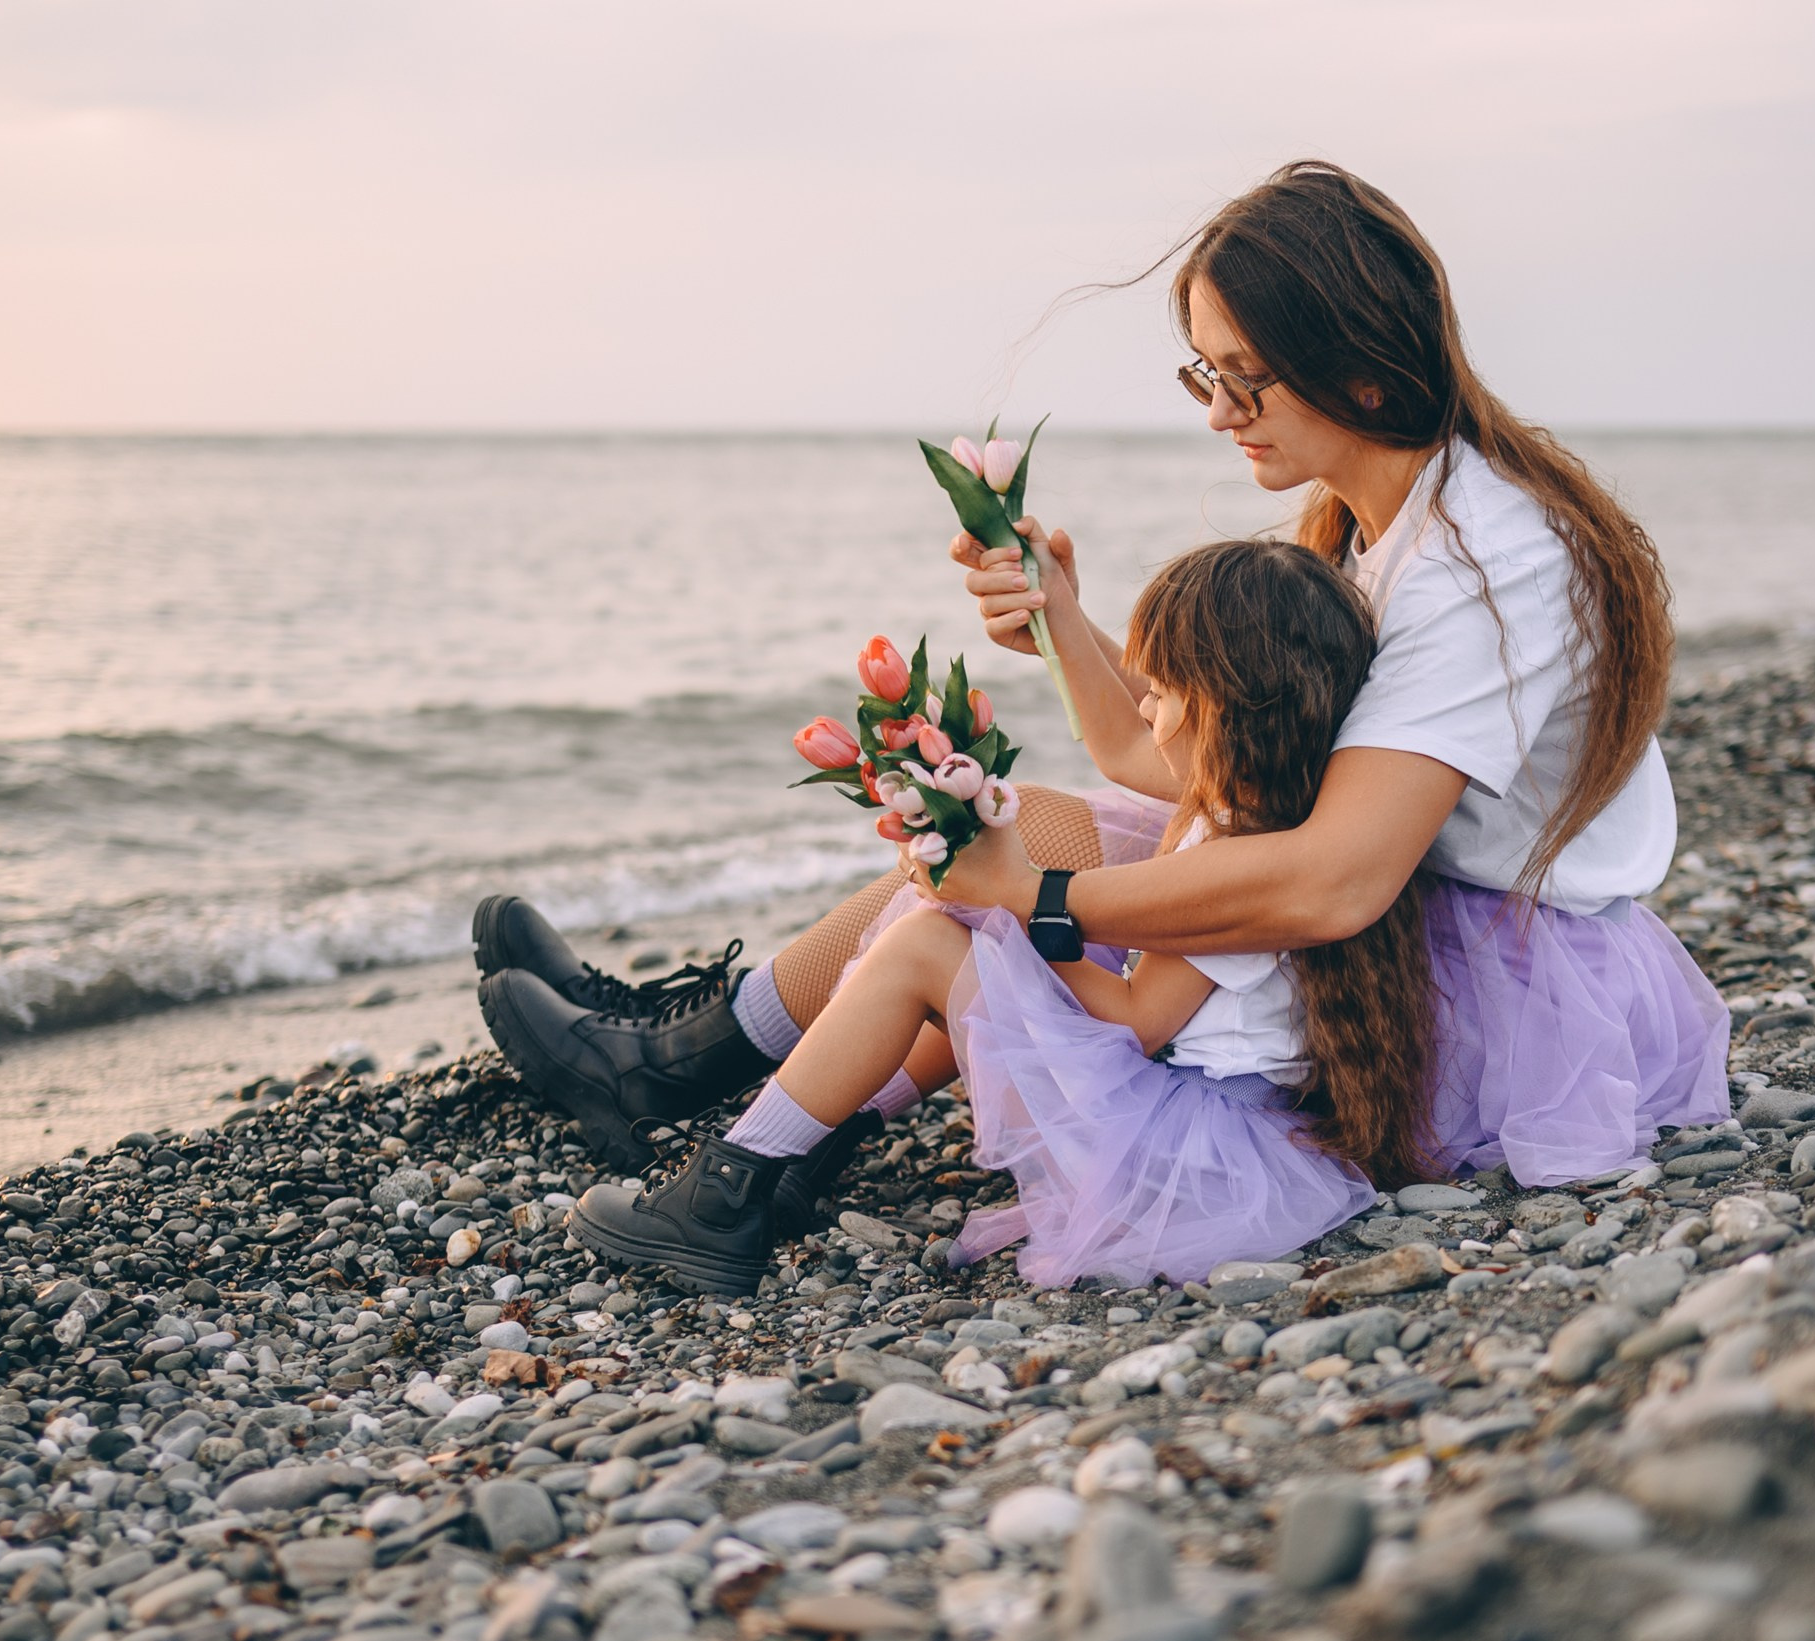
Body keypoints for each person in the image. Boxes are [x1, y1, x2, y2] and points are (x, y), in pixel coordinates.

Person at [479, 158, 1727, 1245]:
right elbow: (1190, 761)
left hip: (1473, 961)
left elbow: (1334, 880)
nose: (1223, 415)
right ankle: (690, 1058)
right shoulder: (1373, 517)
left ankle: (692, 1081)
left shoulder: (1480, 562)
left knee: (1025, 865)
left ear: (1357, 366)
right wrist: (1063, 616)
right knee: (1041, 825)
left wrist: (1038, 898)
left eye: (1249, 381)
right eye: (1206, 376)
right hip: (1394, 903)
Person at [567, 540, 1434, 1293]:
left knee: (926, 949)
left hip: (1171, 1161)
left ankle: (725, 1191)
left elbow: (1136, 1019)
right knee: (988, 957)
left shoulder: (1238, 861)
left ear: (1229, 710)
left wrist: (1013, 923)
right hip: (1211, 1128)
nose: (1145, 706)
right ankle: (808, 1147)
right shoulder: (1274, 801)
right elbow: (1123, 758)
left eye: (1164, 692)